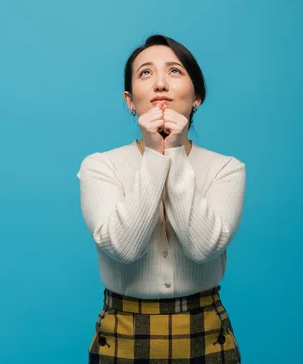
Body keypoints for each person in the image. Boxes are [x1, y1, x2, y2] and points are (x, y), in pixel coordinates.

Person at [77, 34, 246, 363]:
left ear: (197, 96)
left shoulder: (227, 168)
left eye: (174, 71)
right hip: (123, 333)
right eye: (145, 73)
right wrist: (156, 154)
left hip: (206, 335)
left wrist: (175, 155)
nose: (160, 85)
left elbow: (203, 247)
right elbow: (124, 248)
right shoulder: (99, 166)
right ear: (129, 100)